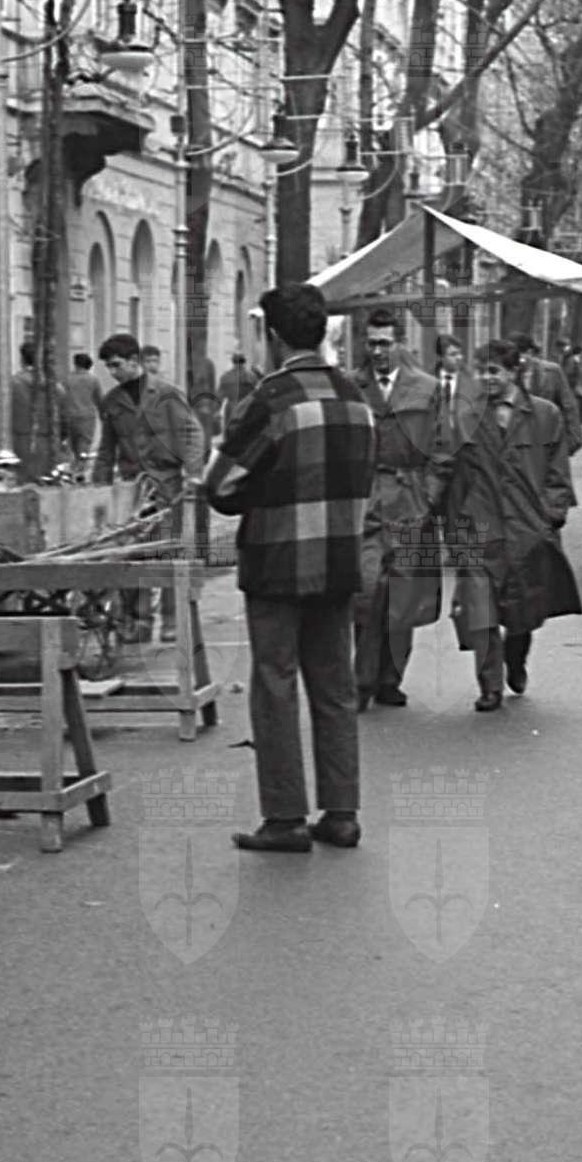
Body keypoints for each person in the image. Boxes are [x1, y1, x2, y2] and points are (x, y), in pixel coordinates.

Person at [203, 283, 375, 854]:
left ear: (273, 337)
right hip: (339, 558)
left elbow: (221, 485)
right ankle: (342, 812)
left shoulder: (271, 399)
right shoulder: (354, 395)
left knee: (275, 684)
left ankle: (284, 817)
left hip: (277, 559)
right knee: (335, 686)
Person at [443, 338, 581, 711]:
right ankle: (489, 685)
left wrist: (550, 517)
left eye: (494, 371)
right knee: (480, 608)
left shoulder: (545, 415)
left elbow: (557, 473)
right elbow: (454, 476)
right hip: (479, 524)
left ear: (513, 371)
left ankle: (515, 657)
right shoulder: (466, 417)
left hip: (527, 527)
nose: (486, 378)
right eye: (481, 371)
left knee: (524, 607)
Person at [352, 308, 444, 711]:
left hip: (410, 496)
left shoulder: (426, 388)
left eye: (385, 343)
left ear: (401, 343)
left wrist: (429, 495)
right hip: (365, 497)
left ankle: (391, 678)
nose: (377, 351)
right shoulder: (350, 387)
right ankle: (361, 681)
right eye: (371, 343)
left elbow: (443, 447)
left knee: (403, 594)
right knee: (366, 589)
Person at [94, 331, 205, 640]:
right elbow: (106, 449)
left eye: (117, 365)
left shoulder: (166, 394)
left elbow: (191, 433)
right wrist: (99, 488)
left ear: (135, 361)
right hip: (131, 490)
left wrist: (193, 474)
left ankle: (171, 621)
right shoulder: (112, 402)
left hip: (168, 485)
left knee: (169, 552)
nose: (113, 372)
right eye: (109, 367)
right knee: (135, 555)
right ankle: (141, 621)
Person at [513, 333, 582, 457]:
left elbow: (568, 406)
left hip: (547, 437)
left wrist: (574, 439)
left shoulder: (551, 371)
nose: (519, 360)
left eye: (521, 355)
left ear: (530, 352)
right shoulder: (509, 373)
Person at [7, 341, 71, 480]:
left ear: (22, 359)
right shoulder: (55, 387)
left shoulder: (11, 385)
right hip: (48, 444)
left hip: (18, 444)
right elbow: (65, 420)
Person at [62, 352, 102, 472]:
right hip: (87, 417)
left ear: (76, 364)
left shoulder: (67, 379)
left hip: (70, 415)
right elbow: (99, 399)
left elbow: (62, 397)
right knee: (84, 443)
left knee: (73, 443)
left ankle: (75, 466)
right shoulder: (93, 379)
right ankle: (80, 469)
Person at [219, 351, 259, 420]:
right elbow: (257, 394)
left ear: (232, 361)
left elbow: (220, 395)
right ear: (244, 362)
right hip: (245, 409)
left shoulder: (226, 376)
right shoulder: (251, 376)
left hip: (235, 408)